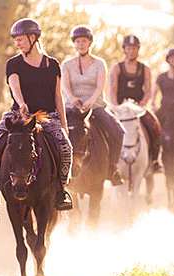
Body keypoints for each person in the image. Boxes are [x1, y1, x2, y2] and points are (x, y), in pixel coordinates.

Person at [0, 18, 73, 211]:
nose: (17, 43)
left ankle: (61, 191)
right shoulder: (13, 64)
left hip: (48, 118)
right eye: (15, 40)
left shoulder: (53, 65)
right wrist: (22, 102)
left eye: (20, 39)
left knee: (66, 148)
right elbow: (14, 86)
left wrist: (64, 124)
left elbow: (58, 96)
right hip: (20, 116)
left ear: (33, 38)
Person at [61, 25, 125, 186]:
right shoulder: (67, 64)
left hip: (95, 106)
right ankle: (56, 170)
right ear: (74, 44)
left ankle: (112, 168)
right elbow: (65, 85)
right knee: (51, 132)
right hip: (71, 108)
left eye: (84, 41)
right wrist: (72, 97)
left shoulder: (99, 63)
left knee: (118, 131)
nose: (81, 44)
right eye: (77, 41)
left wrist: (90, 100)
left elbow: (100, 86)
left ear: (90, 43)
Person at [108, 35, 162, 171]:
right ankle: (108, 163)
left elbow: (148, 91)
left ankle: (154, 160)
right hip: (120, 108)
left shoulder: (144, 68)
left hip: (138, 108)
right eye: (128, 48)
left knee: (155, 125)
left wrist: (140, 106)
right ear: (124, 50)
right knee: (106, 128)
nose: (131, 51)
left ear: (138, 50)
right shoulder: (117, 68)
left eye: (134, 48)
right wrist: (117, 107)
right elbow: (112, 90)